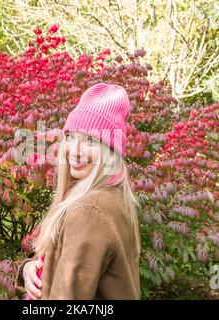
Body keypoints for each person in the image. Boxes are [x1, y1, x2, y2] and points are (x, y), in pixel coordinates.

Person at [14, 82, 141, 300]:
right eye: (71, 137)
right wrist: (28, 269)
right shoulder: (109, 195)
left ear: (110, 151)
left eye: (90, 141)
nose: (75, 150)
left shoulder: (90, 209)